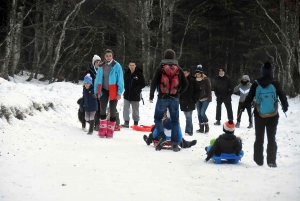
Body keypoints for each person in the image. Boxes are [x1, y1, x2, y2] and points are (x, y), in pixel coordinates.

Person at [240, 62, 289, 167]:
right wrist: (285, 106)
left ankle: (258, 160)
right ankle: (271, 161)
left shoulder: (256, 83)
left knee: (259, 137)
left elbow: (249, 97)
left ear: (262, 71)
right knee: (271, 138)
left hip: (259, 114)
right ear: (271, 72)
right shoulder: (275, 83)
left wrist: (242, 106)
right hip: (273, 115)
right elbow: (282, 95)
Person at [149, 49, 188, 152]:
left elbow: (153, 82)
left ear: (165, 57)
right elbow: (186, 83)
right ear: (174, 57)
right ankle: (175, 144)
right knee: (175, 121)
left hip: (162, 97)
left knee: (157, 118)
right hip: (174, 98)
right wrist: (178, 93)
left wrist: (151, 96)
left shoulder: (160, 68)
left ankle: (162, 137)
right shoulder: (178, 69)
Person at [94, 49, 124, 138]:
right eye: (107, 56)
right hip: (103, 89)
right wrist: (96, 90)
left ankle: (110, 130)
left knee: (112, 109)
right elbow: (97, 79)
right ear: (104, 56)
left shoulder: (117, 66)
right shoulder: (101, 66)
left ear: (112, 56)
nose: (108, 57)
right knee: (102, 108)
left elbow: (120, 80)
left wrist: (119, 92)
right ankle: (102, 129)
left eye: (110, 56)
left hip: (113, 89)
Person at [122, 60, 146, 128]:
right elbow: (123, 82)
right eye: (130, 65)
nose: (132, 67)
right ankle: (126, 122)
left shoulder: (139, 73)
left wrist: (137, 89)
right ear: (128, 66)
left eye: (133, 65)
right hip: (127, 94)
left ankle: (136, 123)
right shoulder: (126, 73)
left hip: (135, 95)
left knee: (135, 110)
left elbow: (143, 84)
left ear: (135, 66)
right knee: (125, 108)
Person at [179, 67, 200, 136]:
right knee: (187, 117)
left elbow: (198, 91)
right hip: (183, 101)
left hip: (190, 101)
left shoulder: (193, 81)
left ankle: (188, 131)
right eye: (183, 73)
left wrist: (194, 99)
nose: (184, 74)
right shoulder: (180, 80)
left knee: (189, 117)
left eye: (185, 73)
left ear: (188, 73)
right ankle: (190, 131)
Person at [86, 55, 104, 131]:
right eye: (96, 62)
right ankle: (91, 122)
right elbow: (86, 81)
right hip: (92, 91)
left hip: (100, 91)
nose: (98, 63)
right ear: (94, 63)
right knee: (94, 107)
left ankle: (97, 124)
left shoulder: (102, 70)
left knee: (99, 107)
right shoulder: (89, 71)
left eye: (99, 62)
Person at [195, 65, 212, 133]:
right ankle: (201, 127)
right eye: (196, 73)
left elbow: (209, 89)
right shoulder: (195, 80)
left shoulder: (206, 80)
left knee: (202, 113)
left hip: (205, 98)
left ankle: (206, 124)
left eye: (199, 73)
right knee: (199, 114)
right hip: (198, 99)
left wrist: (209, 98)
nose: (197, 75)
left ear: (201, 74)